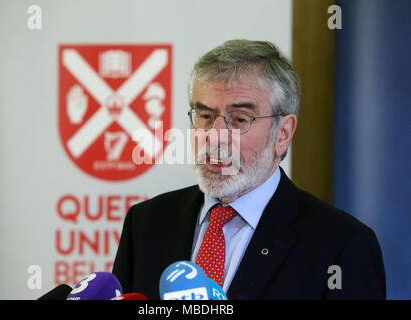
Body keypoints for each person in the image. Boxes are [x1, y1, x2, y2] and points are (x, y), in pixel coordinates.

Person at [112, 39, 386, 300]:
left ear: (283, 133)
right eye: (205, 116)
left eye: (239, 119)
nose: (214, 136)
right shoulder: (147, 222)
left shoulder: (342, 246)